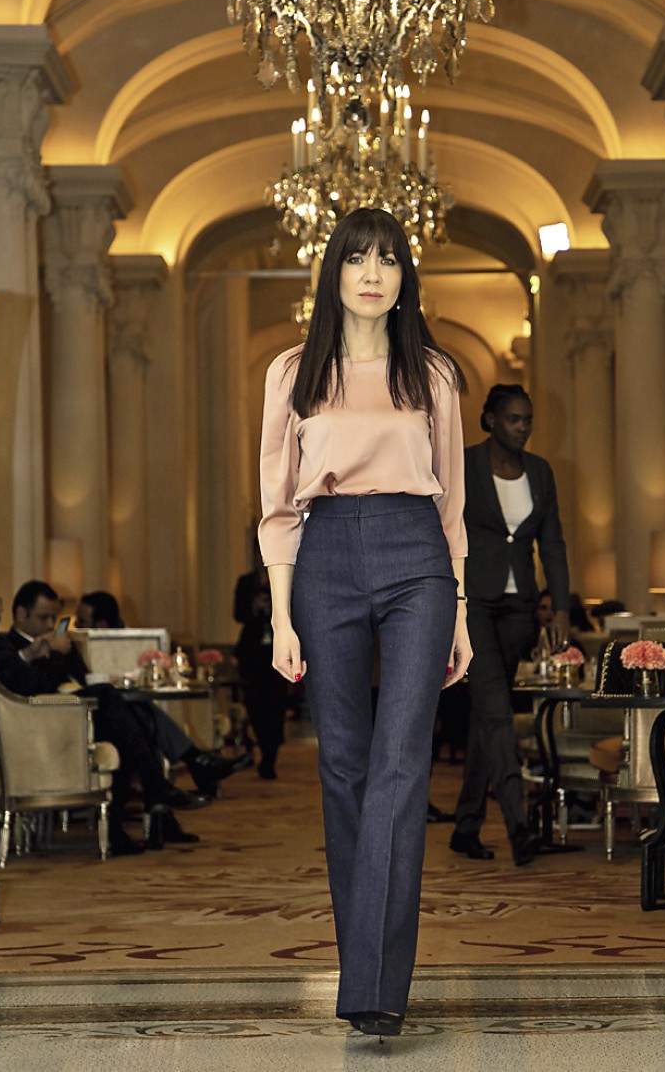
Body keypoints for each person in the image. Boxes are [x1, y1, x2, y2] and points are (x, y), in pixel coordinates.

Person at [258, 207, 471, 1038]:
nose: (373, 273)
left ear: (405, 275)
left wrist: (460, 610)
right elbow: (278, 503)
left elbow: (452, 505)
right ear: (334, 273)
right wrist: (281, 615)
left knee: (400, 762)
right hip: (325, 557)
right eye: (357, 259)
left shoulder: (435, 374)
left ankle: (376, 985)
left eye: (388, 258)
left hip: (417, 553)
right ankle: (365, 971)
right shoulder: (292, 372)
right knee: (343, 764)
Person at [0, 577, 206, 854]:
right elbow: (34, 687)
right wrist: (53, 655)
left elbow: (80, 677)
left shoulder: (3, 644)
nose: (49, 624)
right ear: (19, 614)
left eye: (53, 617)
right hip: (42, 729)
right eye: (43, 617)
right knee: (118, 711)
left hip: (67, 719)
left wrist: (53, 654)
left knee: (129, 717)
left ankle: (154, 802)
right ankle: (163, 788)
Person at [449, 382, 570, 865]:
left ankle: (466, 826)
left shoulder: (539, 472)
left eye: (528, 420)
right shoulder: (463, 466)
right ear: (491, 420)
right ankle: (519, 825)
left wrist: (560, 608)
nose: (523, 428)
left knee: (488, 714)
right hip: (473, 603)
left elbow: (553, 544)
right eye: (514, 419)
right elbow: (445, 532)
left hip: (520, 608)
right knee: (497, 710)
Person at [73, 587, 251, 795]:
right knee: (141, 713)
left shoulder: (126, 642)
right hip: (83, 716)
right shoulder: (67, 647)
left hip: (110, 708)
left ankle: (177, 779)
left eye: (81, 621)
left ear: (101, 624)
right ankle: (195, 764)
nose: (76, 626)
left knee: (142, 712)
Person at [233, 552, 287, 780]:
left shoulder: (285, 578)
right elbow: (238, 614)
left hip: (278, 649)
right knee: (254, 703)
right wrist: (254, 606)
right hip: (252, 653)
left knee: (275, 705)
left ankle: (270, 755)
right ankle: (263, 745)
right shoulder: (246, 582)